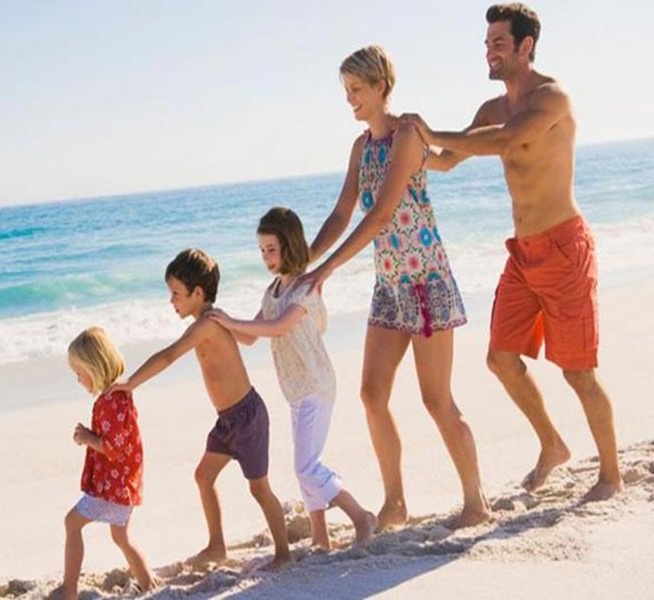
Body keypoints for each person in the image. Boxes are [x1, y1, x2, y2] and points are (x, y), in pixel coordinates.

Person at [400, 3, 623, 503]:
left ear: (526, 46)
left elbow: (506, 141)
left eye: (498, 43)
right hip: (523, 253)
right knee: (501, 359)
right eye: (486, 44)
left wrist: (431, 132)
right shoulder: (491, 109)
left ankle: (611, 475)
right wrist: (399, 136)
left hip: (564, 248)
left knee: (578, 372)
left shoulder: (552, 98)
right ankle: (552, 444)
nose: (489, 52)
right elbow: (445, 161)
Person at [301, 45, 490, 530]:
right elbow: (342, 212)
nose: (350, 99)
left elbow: (382, 213)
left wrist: (327, 271)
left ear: (380, 86)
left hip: (427, 283)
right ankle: (395, 502)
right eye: (346, 91)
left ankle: (476, 502)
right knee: (372, 394)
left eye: (356, 89)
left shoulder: (407, 136)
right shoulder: (361, 147)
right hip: (389, 288)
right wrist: (305, 261)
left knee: (436, 399)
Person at [108, 248, 291, 569]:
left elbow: (169, 355)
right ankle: (217, 546)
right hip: (227, 420)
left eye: (176, 294)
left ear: (197, 293)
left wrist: (132, 383)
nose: (172, 301)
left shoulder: (206, 324)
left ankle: (284, 554)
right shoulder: (209, 319)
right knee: (203, 476)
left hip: (247, 417)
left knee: (259, 488)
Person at [209, 207, 377, 550]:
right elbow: (250, 337)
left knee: (306, 467)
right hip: (295, 390)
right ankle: (320, 537)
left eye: (271, 249)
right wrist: (217, 324)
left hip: (316, 385)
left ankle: (361, 517)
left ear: (289, 244)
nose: (266, 257)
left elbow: (277, 327)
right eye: (262, 250)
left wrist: (230, 322)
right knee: (305, 464)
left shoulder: (305, 288)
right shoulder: (271, 291)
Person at [54, 327, 155, 600]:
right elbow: (114, 438)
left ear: (94, 367)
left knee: (72, 523)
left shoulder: (112, 401)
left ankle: (69, 589)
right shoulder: (114, 396)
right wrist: (90, 435)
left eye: (79, 373)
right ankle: (148, 585)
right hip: (119, 483)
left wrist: (88, 438)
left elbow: (114, 448)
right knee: (121, 537)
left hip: (113, 486)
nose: (78, 379)